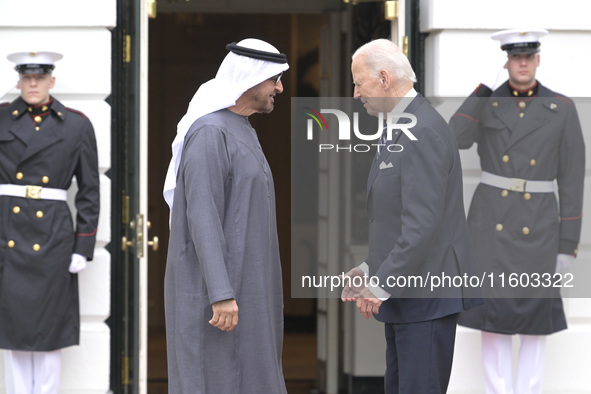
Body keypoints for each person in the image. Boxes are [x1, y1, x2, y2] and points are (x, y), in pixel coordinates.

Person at [341, 38, 482, 393]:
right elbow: (397, 217)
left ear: (384, 78)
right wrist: (371, 268)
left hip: (426, 297)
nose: (356, 93)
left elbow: (422, 224)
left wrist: (381, 283)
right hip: (410, 296)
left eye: (359, 83)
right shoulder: (403, 124)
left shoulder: (420, 129)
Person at [450, 29, 585, 394]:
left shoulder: (562, 108)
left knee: (534, 324)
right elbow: (454, 138)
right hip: (489, 225)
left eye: (528, 56)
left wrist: (567, 243)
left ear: (537, 60)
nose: (522, 63)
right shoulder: (489, 103)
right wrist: (481, 91)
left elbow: (572, 181)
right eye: (515, 57)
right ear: (506, 61)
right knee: (492, 322)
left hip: (538, 225)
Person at [162, 38, 289, 393]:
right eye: (274, 79)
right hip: (218, 297)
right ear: (251, 77)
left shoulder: (241, 128)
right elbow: (202, 217)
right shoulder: (209, 132)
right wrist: (220, 292)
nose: (279, 88)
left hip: (245, 286)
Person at [0, 51, 100, 393]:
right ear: (17, 80)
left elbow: (89, 190)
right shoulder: (1, 117)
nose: (32, 84)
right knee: (12, 330)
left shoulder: (76, 124)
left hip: (53, 237)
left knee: (49, 329)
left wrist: (82, 245)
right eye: (26, 77)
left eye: (39, 77)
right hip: (8, 234)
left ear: (51, 81)